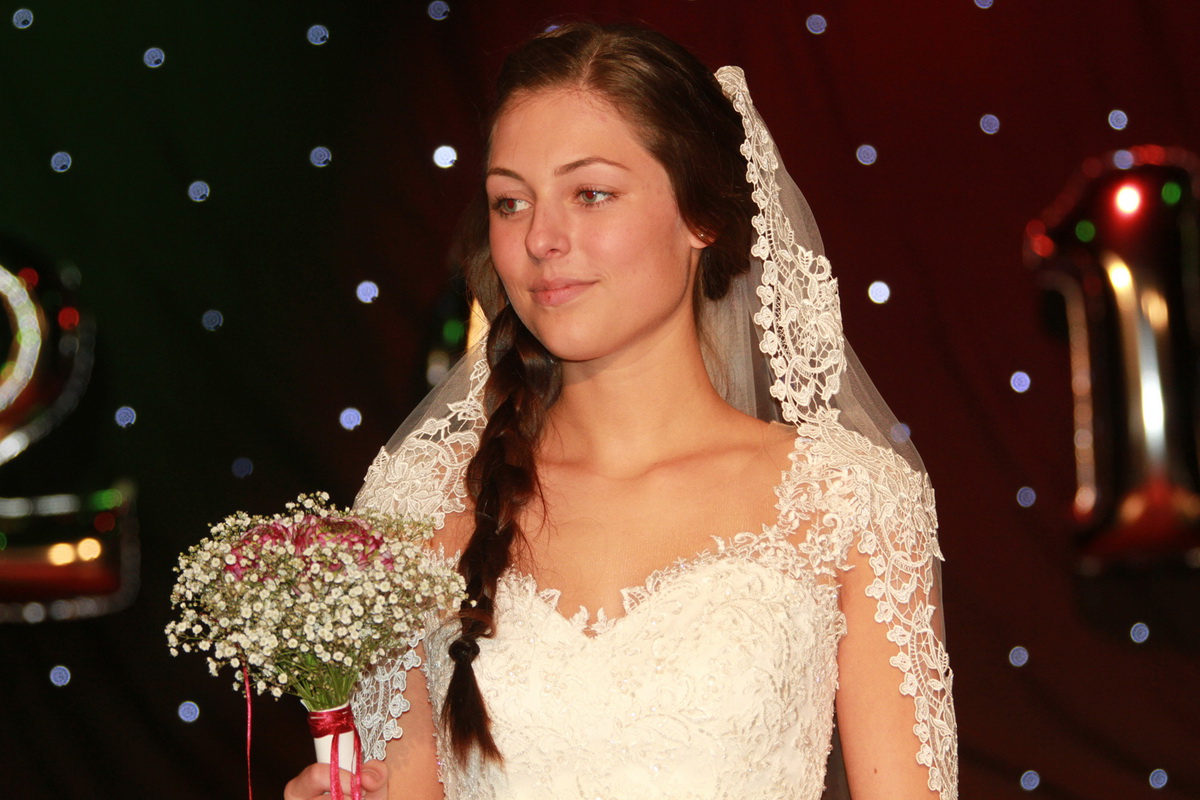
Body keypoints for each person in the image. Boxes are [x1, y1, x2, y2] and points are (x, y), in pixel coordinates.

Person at [286, 21, 956, 800]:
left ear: (701, 215)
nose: (542, 238)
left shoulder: (849, 502)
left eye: (591, 194)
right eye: (510, 202)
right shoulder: (418, 503)